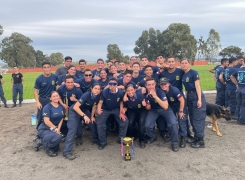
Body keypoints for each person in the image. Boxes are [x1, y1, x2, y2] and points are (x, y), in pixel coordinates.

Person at [63, 83, 101, 160]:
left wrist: (92, 116)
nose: (96, 90)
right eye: (95, 88)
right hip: (75, 111)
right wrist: (84, 116)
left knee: (92, 123)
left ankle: (95, 140)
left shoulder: (98, 97)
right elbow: (76, 107)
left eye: (98, 89)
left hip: (84, 110)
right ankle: (67, 152)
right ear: (91, 89)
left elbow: (94, 106)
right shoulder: (86, 95)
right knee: (72, 130)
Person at [144, 77, 179, 152]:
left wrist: (155, 96)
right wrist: (145, 105)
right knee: (147, 125)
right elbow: (149, 108)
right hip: (154, 110)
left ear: (155, 84)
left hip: (164, 109)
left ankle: (174, 142)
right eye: (149, 85)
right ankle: (153, 137)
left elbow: (165, 106)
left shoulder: (160, 92)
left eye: (152, 84)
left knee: (173, 124)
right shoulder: (146, 94)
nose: (151, 87)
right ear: (146, 86)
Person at [96, 77, 129, 150]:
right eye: (110, 84)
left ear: (117, 84)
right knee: (99, 123)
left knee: (125, 121)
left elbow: (121, 102)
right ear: (108, 84)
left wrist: (121, 112)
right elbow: (100, 102)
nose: (112, 85)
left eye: (114, 84)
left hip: (116, 109)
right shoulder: (104, 92)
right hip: (105, 109)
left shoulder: (120, 92)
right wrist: (98, 109)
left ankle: (121, 139)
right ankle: (103, 142)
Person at [180, 58, 207, 148]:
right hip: (189, 96)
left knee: (198, 118)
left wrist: (199, 99)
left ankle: (201, 140)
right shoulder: (184, 74)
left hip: (196, 95)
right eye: (182, 63)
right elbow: (186, 89)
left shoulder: (193, 73)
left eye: (186, 63)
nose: (184, 65)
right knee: (192, 117)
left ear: (189, 64)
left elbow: (197, 86)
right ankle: (196, 137)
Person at [159, 78, 188, 148]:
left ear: (168, 84)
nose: (163, 86)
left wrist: (180, 111)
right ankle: (171, 133)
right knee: (170, 119)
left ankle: (183, 137)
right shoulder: (161, 91)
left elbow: (182, 100)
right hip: (171, 105)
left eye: (165, 84)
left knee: (181, 119)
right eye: (161, 84)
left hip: (180, 105)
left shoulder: (174, 90)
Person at [37, 91, 64, 157]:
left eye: (57, 96)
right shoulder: (47, 107)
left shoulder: (61, 107)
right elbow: (46, 121)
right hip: (45, 129)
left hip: (54, 128)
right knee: (58, 137)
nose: (56, 97)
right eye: (53, 96)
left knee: (56, 148)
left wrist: (58, 129)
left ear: (59, 97)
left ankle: (41, 142)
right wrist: (55, 128)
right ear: (50, 98)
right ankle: (46, 147)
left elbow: (61, 119)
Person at [57, 75, 83, 140]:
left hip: (75, 109)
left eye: (72, 82)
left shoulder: (78, 90)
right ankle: (65, 134)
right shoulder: (61, 88)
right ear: (65, 83)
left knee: (77, 123)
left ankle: (79, 137)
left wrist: (75, 100)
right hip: (65, 107)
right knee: (63, 121)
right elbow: (59, 97)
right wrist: (62, 104)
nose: (70, 84)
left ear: (73, 82)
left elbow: (83, 102)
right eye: (68, 82)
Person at [34, 62, 58, 128]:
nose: (46, 69)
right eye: (45, 67)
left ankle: (52, 129)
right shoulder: (39, 79)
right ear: (42, 69)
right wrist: (37, 102)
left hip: (52, 100)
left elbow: (57, 88)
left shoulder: (55, 77)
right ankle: (39, 131)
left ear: (50, 68)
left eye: (48, 67)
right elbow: (35, 91)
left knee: (53, 115)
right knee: (41, 116)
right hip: (43, 99)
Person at [123, 84, 147, 148]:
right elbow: (125, 107)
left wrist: (145, 104)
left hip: (142, 110)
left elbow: (145, 103)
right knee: (130, 123)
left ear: (135, 90)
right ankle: (135, 134)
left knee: (141, 123)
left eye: (132, 90)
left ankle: (142, 140)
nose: (130, 92)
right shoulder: (126, 98)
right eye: (128, 91)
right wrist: (123, 110)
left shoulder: (140, 95)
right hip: (132, 111)